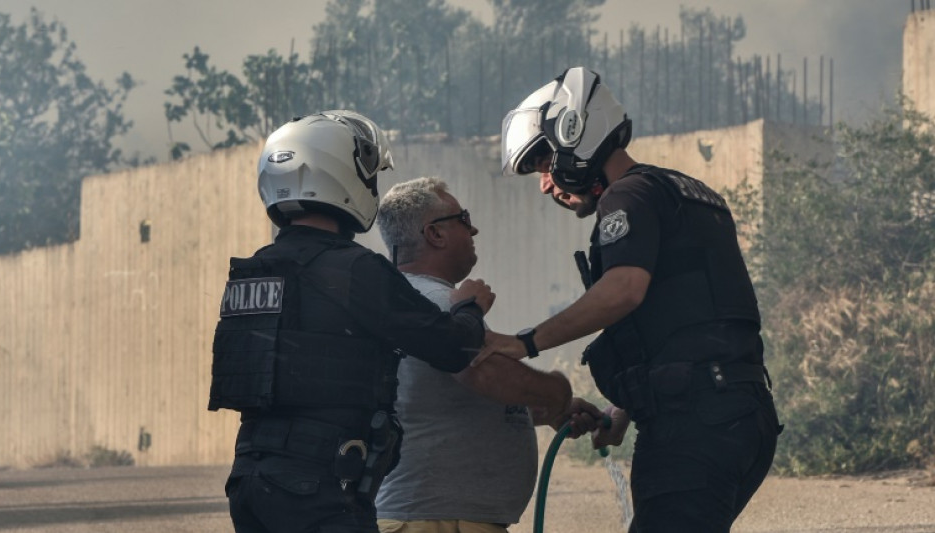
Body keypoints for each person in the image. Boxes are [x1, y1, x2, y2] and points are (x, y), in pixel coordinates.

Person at [481, 66, 783, 532]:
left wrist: (524, 343)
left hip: (694, 424)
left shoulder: (627, 198)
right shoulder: (682, 192)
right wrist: (624, 409)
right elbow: (690, 319)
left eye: (543, 165)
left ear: (573, 133)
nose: (545, 184)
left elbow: (623, 289)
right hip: (743, 413)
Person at [208, 111, 495, 533]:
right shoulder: (355, 269)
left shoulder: (253, 271)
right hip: (319, 489)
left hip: (249, 482)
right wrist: (470, 307)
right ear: (342, 174)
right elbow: (452, 348)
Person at [372, 177, 575, 533]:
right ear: (435, 233)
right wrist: (559, 392)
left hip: (433, 518)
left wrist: (545, 411)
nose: (474, 229)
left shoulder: (411, 301)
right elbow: (484, 374)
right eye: (463, 219)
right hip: (437, 522)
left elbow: (447, 400)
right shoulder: (438, 304)